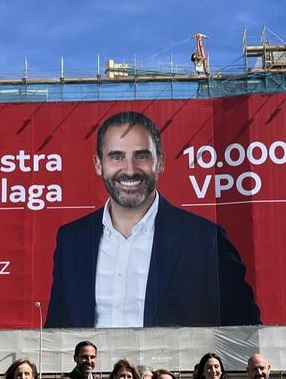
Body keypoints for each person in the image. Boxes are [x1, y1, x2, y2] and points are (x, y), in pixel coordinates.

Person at [45, 110, 261, 328]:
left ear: (160, 162)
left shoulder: (205, 239)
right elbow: (57, 332)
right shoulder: (72, 240)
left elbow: (245, 330)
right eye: (116, 156)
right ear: (99, 165)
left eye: (141, 156)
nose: (129, 170)